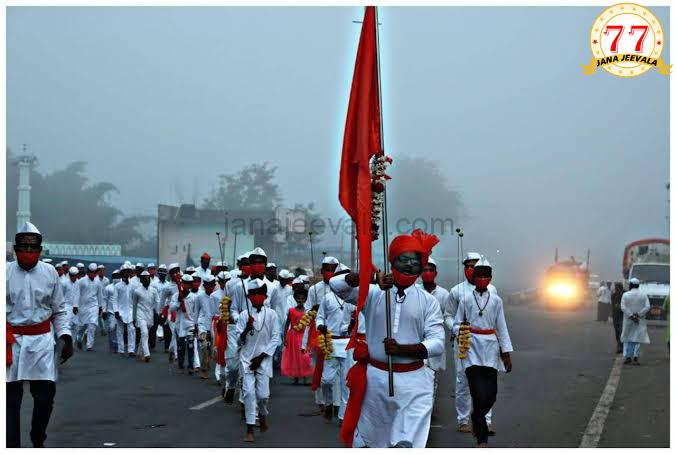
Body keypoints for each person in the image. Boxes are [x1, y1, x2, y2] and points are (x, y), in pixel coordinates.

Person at [331, 229, 445, 448]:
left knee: (405, 443)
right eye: (404, 259)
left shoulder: (428, 302)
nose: (410, 265)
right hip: (375, 381)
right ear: (392, 261)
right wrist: (370, 277)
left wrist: (405, 350)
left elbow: (438, 342)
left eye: (415, 261)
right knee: (372, 442)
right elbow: (337, 286)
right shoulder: (373, 293)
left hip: (414, 383)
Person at [7, 222, 74, 448]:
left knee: (44, 398)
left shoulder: (50, 273)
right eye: (23, 248)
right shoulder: (4, 272)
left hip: (42, 343)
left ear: (40, 250)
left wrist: (66, 336)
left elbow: (60, 309)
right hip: (10, 342)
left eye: (32, 248)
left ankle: (38, 437)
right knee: (9, 401)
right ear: (16, 249)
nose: (27, 252)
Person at [453, 257, 513, 447]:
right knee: (478, 394)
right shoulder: (465, 298)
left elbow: (501, 327)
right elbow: (455, 324)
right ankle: (482, 438)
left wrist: (506, 353)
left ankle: (475, 417)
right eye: (479, 275)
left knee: (491, 395)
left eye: (486, 276)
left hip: (491, 350)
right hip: (471, 350)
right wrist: (461, 329)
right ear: (474, 276)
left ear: (490, 278)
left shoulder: (496, 301)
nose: (482, 279)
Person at [447, 252, 497, 433]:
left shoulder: (492, 291)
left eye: (473, 265)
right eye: (467, 266)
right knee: (463, 381)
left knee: (485, 381)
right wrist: (456, 329)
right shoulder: (456, 291)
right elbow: (448, 316)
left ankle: (485, 420)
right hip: (464, 342)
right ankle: (463, 420)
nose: (470, 269)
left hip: (485, 343)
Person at [237, 278, 281, 443]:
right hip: (246, 360)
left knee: (263, 396)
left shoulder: (271, 314)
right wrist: (247, 328)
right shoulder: (243, 316)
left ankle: (262, 415)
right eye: (253, 294)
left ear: (264, 296)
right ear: (249, 297)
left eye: (260, 294)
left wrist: (261, 357)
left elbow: (275, 338)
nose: (257, 297)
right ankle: (249, 429)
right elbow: (239, 342)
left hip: (263, 360)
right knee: (248, 394)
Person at [316, 263, 356, 422]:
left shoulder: (355, 296)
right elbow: (319, 316)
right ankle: (328, 403)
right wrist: (320, 325)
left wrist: (354, 324)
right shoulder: (327, 298)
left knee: (346, 382)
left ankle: (343, 416)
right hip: (331, 343)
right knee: (326, 380)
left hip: (347, 343)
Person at [305, 256, 340, 415]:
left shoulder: (341, 289)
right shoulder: (314, 289)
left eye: (333, 270)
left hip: (335, 336)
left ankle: (335, 402)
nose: (329, 272)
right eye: (327, 269)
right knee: (317, 367)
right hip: (318, 333)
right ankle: (320, 401)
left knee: (336, 372)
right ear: (322, 271)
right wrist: (315, 309)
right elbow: (307, 312)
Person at [418, 257, 451, 407]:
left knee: (433, 380)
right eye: (424, 270)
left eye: (430, 270)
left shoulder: (444, 294)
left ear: (435, 273)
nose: (427, 273)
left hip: (435, 342)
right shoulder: (415, 291)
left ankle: (428, 412)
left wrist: (454, 331)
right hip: (416, 343)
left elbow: (448, 316)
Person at [281, 277, 314, 384]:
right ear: (295, 299)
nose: (300, 301)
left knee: (305, 356)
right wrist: (285, 336)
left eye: (302, 299)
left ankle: (305, 377)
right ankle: (295, 377)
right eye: (298, 299)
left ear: (305, 299)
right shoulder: (291, 310)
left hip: (304, 335)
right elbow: (287, 324)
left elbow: (310, 325)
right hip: (293, 336)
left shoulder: (308, 311)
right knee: (295, 357)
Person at [72, 262, 104, 352]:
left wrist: (101, 307)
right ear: (88, 271)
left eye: (94, 272)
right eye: (91, 272)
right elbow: (77, 294)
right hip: (83, 307)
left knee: (92, 325)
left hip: (94, 307)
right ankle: (78, 338)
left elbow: (100, 295)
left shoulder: (98, 282)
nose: (93, 274)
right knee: (83, 326)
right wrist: (75, 306)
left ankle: (89, 346)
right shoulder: (81, 281)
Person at [170, 274, 198, 373]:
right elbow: (171, 309)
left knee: (191, 346)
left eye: (189, 284)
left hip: (190, 324)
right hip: (179, 324)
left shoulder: (194, 297)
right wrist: (178, 301)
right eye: (185, 283)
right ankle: (181, 362)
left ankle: (191, 365)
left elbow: (196, 312)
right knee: (181, 346)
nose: (187, 285)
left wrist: (196, 325)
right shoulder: (176, 295)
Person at [620, 278, 651, 365]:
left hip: (628, 320)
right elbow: (647, 307)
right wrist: (638, 314)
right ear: (638, 285)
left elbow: (623, 307)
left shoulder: (625, 295)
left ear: (631, 285)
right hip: (639, 320)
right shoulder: (644, 295)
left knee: (627, 337)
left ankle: (628, 357)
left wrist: (631, 315)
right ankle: (635, 358)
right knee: (637, 338)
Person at [132, 271, 159, 362]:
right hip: (140, 315)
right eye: (144, 278)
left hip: (150, 315)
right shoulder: (137, 291)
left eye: (148, 277)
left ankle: (139, 352)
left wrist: (158, 313)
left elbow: (157, 302)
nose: (147, 279)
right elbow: (134, 305)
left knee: (144, 334)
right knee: (144, 333)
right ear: (141, 280)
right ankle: (146, 354)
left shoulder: (154, 290)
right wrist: (134, 318)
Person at [111, 264, 136, 357]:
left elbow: (134, 299)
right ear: (121, 273)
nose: (127, 273)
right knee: (120, 330)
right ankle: (121, 349)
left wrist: (135, 311)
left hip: (130, 311)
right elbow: (114, 300)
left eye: (128, 271)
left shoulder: (133, 286)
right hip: (120, 311)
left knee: (131, 330)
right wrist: (116, 311)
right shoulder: (117, 286)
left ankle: (131, 350)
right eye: (125, 272)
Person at [197, 275, 218, 379]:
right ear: (204, 286)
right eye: (207, 286)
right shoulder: (199, 297)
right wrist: (195, 326)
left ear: (214, 286)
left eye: (211, 285)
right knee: (204, 346)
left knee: (212, 350)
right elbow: (196, 312)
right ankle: (204, 370)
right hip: (202, 325)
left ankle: (208, 365)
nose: (209, 288)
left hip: (214, 326)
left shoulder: (217, 296)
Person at [149, 264, 168, 351]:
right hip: (156, 308)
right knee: (154, 327)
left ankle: (167, 347)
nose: (163, 275)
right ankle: (152, 345)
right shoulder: (153, 284)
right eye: (161, 273)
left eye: (164, 273)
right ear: (159, 273)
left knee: (166, 328)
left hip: (165, 309)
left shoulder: (168, 285)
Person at [103, 269, 121, 353]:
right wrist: (104, 311)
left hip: (121, 311)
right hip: (111, 312)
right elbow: (104, 300)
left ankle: (117, 344)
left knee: (119, 329)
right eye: (115, 277)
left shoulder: (122, 287)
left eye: (118, 276)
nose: (116, 278)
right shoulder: (108, 288)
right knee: (112, 327)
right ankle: (111, 343)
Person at [610, 282, 625, 354]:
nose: (616, 289)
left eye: (617, 287)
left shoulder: (625, 294)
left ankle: (620, 347)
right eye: (616, 287)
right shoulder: (613, 295)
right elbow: (614, 305)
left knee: (621, 330)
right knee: (617, 331)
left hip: (623, 315)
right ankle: (619, 345)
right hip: (616, 315)